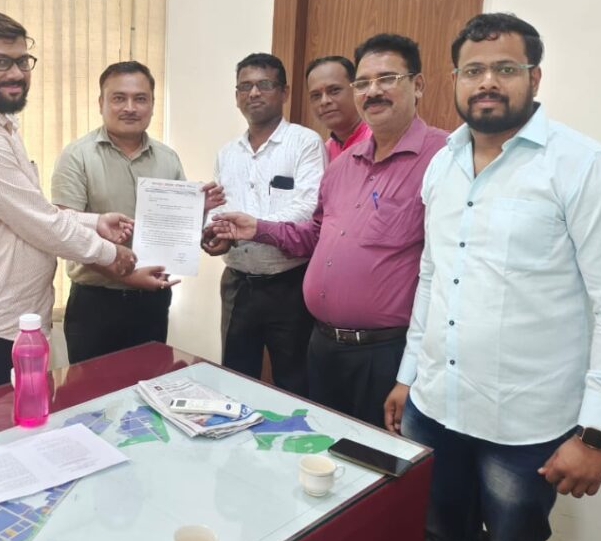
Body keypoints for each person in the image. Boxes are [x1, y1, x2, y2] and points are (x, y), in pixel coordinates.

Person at [384, 13, 601, 541]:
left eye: (505, 69)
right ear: (454, 80)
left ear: (535, 77)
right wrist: (408, 377)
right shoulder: (443, 164)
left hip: (526, 424)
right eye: (473, 70)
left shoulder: (586, 168)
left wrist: (597, 432)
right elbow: (432, 277)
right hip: (435, 406)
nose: (487, 82)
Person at [210, 35, 447, 426]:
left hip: (385, 351)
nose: (373, 91)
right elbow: (313, 237)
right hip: (323, 345)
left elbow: (449, 267)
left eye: (387, 79)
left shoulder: (445, 158)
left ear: (417, 85)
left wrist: (412, 371)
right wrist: (257, 227)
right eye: (363, 83)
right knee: (318, 440)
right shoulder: (341, 165)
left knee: (375, 453)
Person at [0, 9, 136, 399]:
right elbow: (38, 223)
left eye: (22, 61)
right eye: (0, 62)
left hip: (8, 323)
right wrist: (110, 254)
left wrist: (95, 222)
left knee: (24, 423)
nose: (16, 73)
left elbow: (29, 209)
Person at [51, 60, 224, 363]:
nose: (130, 107)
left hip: (152, 302)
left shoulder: (168, 158)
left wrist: (197, 212)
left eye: (140, 98)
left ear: (152, 104)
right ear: (101, 103)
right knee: (93, 389)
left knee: (149, 383)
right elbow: (68, 235)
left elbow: (173, 229)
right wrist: (129, 276)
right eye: (119, 98)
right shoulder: (77, 156)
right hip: (95, 304)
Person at [202, 53, 325, 395]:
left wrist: (254, 226)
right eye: (245, 86)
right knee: (234, 380)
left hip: (289, 285)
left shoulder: (305, 143)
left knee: (295, 383)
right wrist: (214, 232)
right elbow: (220, 208)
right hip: (238, 285)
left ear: (284, 92)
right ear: (236, 96)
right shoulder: (227, 153)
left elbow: (309, 209)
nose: (253, 93)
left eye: (264, 84)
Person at [305, 56, 370, 162]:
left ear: (357, 88)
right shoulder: (323, 154)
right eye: (316, 95)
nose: (324, 101)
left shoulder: (380, 141)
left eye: (334, 90)